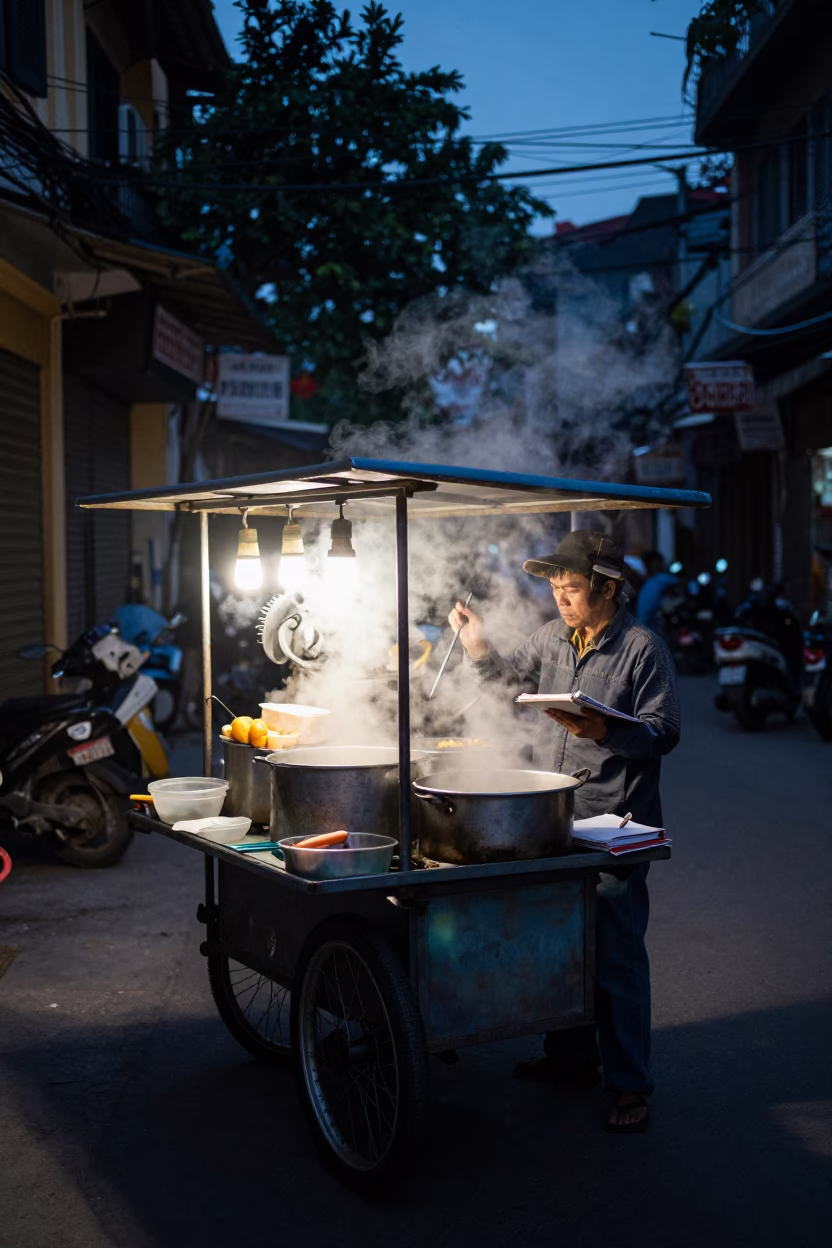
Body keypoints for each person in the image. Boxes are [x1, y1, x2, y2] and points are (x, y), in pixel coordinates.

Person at [449, 530, 680, 1134]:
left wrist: (609, 731)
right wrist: (476, 647)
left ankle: (630, 1087)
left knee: (615, 959)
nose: (561, 599)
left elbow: (665, 731)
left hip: (617, 822)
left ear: (607, 588)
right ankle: (570, 1059)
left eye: (572, 588)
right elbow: (508, 689)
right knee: (562, 943)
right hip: (555, 814)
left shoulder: (640, 648)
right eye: (555, 588)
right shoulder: (551, 637)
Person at [635, 549, 679, 635]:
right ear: (653, 563)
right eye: (659, 562)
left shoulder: (648, 580)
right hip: (649, 623)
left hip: (642, 623)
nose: (661, 565)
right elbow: (680, 581)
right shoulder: (659, 579)